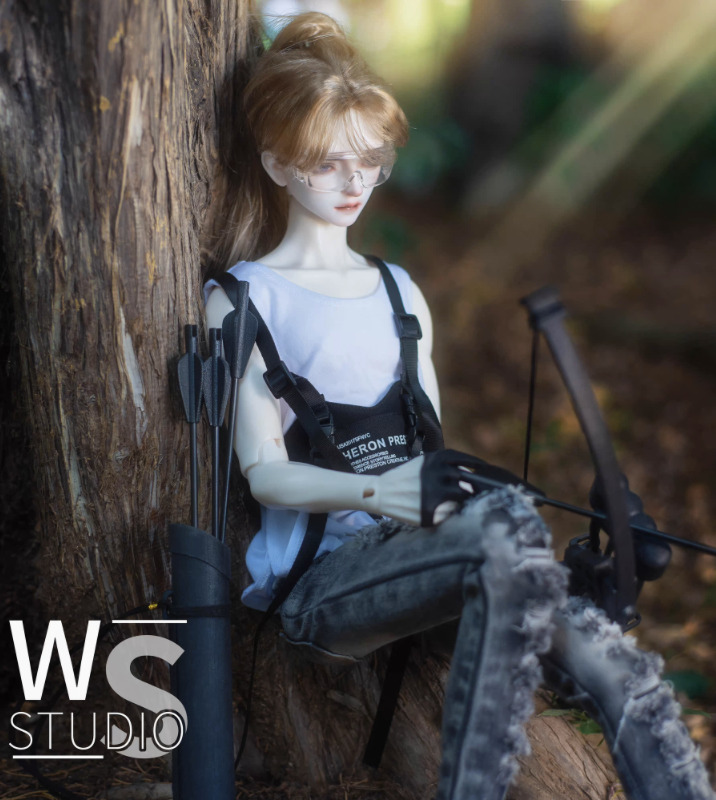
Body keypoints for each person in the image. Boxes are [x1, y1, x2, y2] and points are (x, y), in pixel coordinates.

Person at [204, 13, 713, 800]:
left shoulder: (399, 293)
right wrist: (384, 492)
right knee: (504, 533)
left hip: (441, 564)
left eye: (369, 161)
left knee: (615, 661)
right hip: (320, 590)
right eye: (327, 163)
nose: (353, 183)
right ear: (276, 162)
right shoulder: (244, 299)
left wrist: (586, 568)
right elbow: (265, 475)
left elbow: (435, 466)